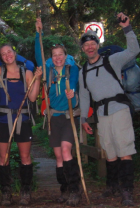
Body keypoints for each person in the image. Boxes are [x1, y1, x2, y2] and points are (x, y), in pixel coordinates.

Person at [0, 12, 42, 206]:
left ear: (14, 52)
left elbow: (32, 97)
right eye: (3, 54)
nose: (7, 55)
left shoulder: (26, 71)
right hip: (3, 120)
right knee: (3, 157)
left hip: (23, 119)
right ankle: (6, 193)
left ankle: (25, 192)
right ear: (1, 58)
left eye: (9, 52)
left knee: (25, 156)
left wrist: (37, 79)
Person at [79, 12, 140, 206]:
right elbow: (84, 96)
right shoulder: (83, 71)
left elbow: (133, 50)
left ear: (97, 45)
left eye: (93, 43)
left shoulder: (112, 60)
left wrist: (127, 28)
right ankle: (112, 186)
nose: (90, 47)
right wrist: (83, 119)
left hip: (119, 109)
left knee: (124, 150)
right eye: (86, 45)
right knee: (109, 152)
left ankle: (127, 190)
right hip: (101, 114)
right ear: (82, 49)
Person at [34, 18, 81, 206]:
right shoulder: (49, 71)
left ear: (65, 55)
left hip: (69, 116)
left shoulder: (72, 69)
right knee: (59, 156)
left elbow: (76, 86)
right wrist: (39, 33)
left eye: (60, 54)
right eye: (54, 55)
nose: (57, 58)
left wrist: (73, 93)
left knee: (66, 150)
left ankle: (75, 190)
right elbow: (39, 55)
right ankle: (65, 189)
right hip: (54, 117)